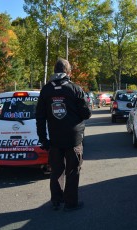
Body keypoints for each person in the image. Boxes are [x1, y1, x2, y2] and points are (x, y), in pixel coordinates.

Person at [36, 58, 91, 211]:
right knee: (73, 170)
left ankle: (56, 200)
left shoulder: (46, 90)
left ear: (54, 71)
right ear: (68, 72)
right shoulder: (75, 89)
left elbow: (40, 117)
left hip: (55, 138)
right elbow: (86, 114)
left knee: (56, 170)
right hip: (73, 138)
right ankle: (70, 202)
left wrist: (43, 139)